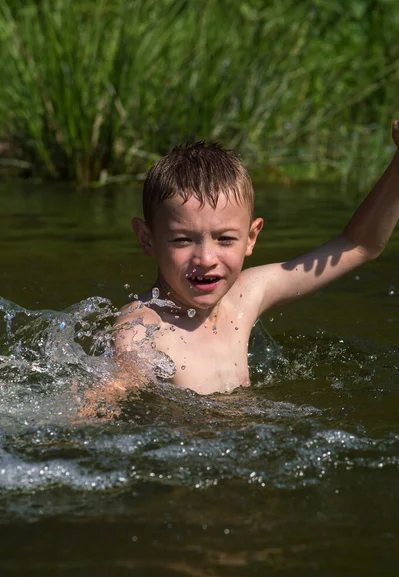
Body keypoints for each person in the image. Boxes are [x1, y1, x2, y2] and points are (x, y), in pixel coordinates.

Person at [112, 122, 399, 397]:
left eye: (225, 239)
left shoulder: (243, 298)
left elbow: (361, 246)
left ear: (251, 237)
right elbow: (113, 391)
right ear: (146, 239)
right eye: (182, 240)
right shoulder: (142, 326)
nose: (206, 258)